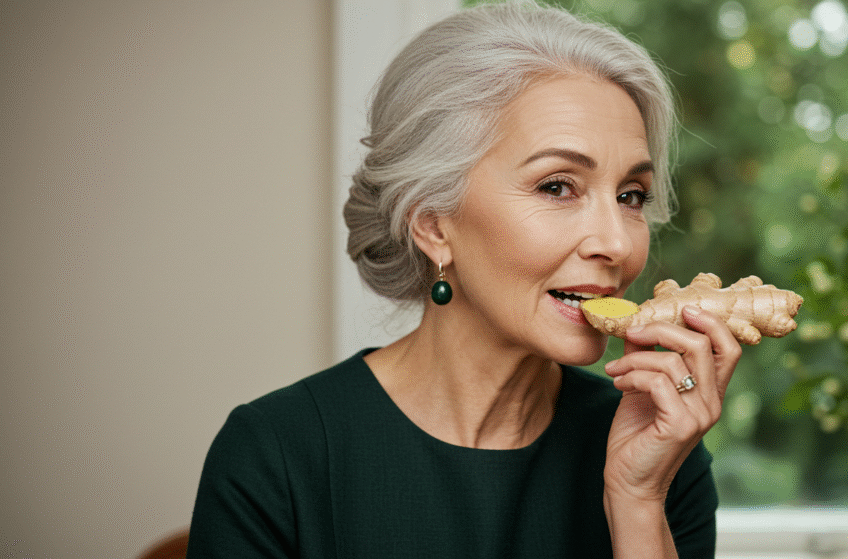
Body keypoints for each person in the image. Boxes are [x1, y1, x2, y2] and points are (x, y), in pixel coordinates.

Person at [186, 2, 742, 558]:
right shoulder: (275, 455)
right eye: (557, 186)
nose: (617, 244)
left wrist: (638, 499)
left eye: (631, 196)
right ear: (432, 224)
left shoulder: (661, 450)